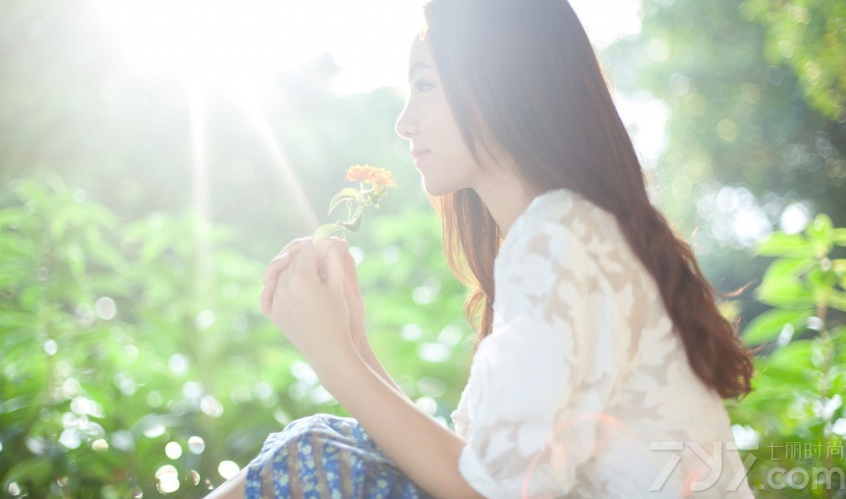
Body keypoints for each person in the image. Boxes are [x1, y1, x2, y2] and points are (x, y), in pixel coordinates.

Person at [205, 0, 757, 497]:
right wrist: (352, 341)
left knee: (314, 454)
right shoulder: (567, 236)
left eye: (423, 85)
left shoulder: (564, 237)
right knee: (327, 445)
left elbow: (485, 492)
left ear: (496, 83)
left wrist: (333, 357)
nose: (404, 121)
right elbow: (462, 469)